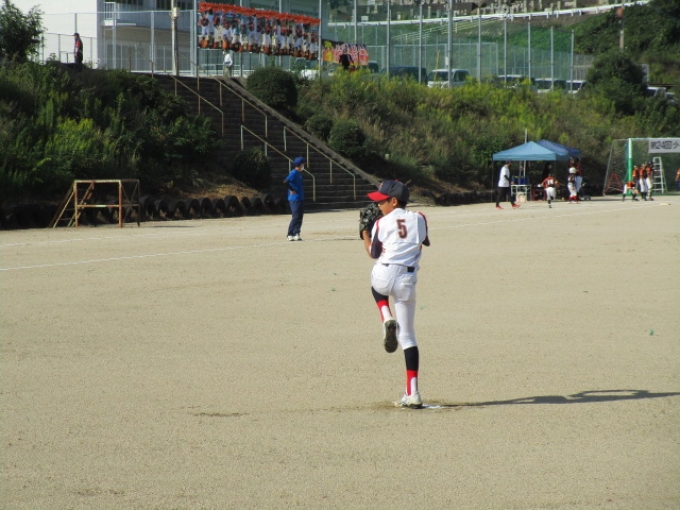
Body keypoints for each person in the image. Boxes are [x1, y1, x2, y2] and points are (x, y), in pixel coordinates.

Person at [364, 180, 430, 408]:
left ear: (393, 201)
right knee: (408, 337)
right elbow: (422, 243)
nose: (378, 205)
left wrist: (364, 233)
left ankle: (385, 317)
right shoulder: (420, 218)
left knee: (375, 285)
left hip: (384, 274)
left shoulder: (381, 223)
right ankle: (413, 393)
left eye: (381, 201)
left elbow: (373, 253)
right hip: (407, 281)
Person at [284, 156, 305, 241]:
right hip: (294, 198)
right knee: (296, 216)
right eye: (303, 164)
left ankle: (296, 233)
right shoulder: (293, 173)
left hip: (300, 197)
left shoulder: (299, 173)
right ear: (300, 164)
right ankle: (290, 234)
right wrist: (292, 190)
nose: (303, 165)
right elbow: (285, 182)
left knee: (300, 216)